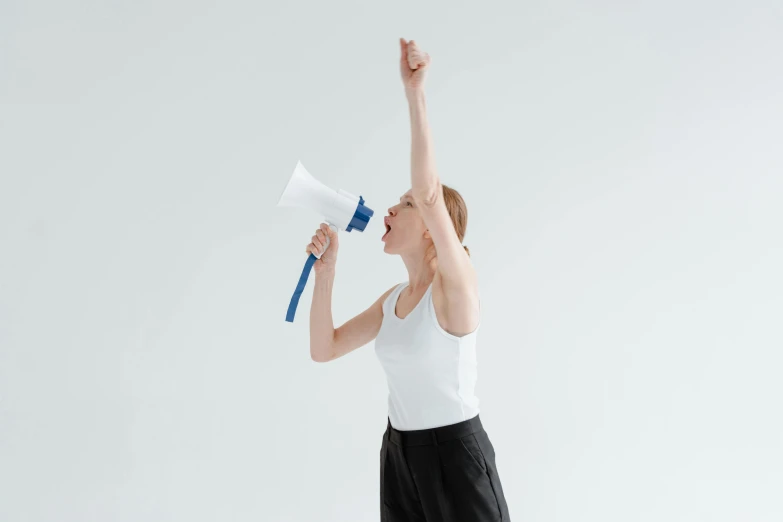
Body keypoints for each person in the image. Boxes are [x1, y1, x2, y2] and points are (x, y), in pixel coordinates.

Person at [306, 38, 511, 522]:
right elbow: (324, 348)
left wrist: (414, 94)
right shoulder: (394, 300)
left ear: (433, 227)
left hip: (455, 459)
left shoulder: (456, 287)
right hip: (399, 455)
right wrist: (327, 274)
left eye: (408, 204)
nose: (392, 208)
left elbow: (429, 190)